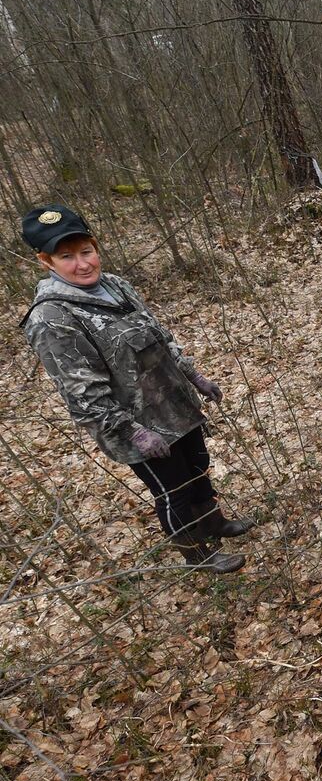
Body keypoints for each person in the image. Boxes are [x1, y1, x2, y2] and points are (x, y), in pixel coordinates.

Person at [19, 204, 249, 573]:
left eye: (86, 251)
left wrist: (194, 377)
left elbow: (160, 337)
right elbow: (82, 392)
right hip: (134, 425)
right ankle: (196, 554)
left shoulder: (115, 285)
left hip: (174, 403)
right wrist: (134, 432)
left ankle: (213, 522)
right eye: (67, 257)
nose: (82, 264)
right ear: (46, 261)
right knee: (173, 489)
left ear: (95, 247)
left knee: (198, 468)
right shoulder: (52, 317)